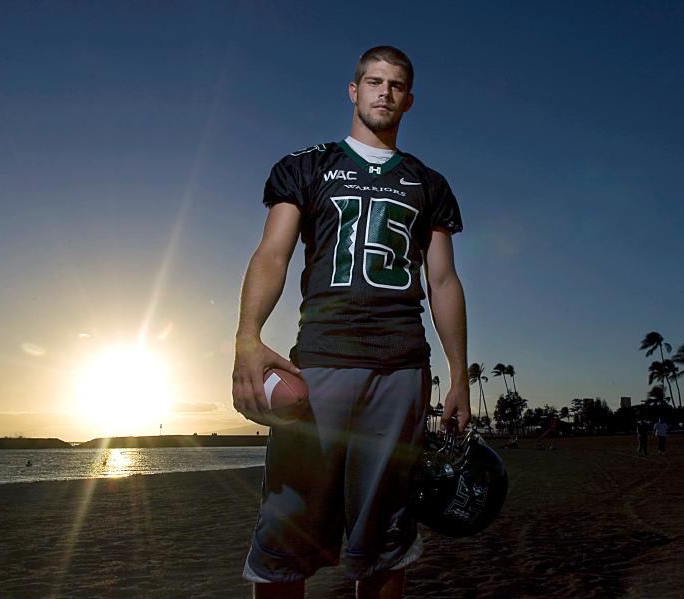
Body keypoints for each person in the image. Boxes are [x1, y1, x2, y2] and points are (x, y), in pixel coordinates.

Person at [232, 46, 470, 599]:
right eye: (373, 81)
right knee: (285, 529)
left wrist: (459, 374)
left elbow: (444, 282)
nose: (384, 91)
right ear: (353, 91)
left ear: (409, 99)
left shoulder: (428, 182)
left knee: (385, 533)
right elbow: (272, 254)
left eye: (395, 84)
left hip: (401, 366)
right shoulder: (305, 165)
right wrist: (248, 337)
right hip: (321, 362)